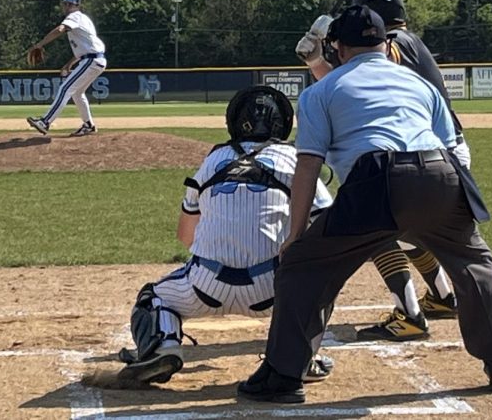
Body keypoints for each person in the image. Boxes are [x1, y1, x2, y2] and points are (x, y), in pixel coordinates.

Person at [238, 5, 492, 404]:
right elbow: (453, 145)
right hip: (442, 174)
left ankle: (284, 375)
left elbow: (308, 166)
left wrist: (295, 235)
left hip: (378, 181)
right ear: (385, 44)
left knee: (303, 267)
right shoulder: (419, 83)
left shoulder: (321, 91)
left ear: (336, 47)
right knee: (475, 264)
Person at [117, 86, 335, 387]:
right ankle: (299, 357)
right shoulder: (295, 159)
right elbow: (327, 221)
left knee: (153, 298)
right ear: (283, 123)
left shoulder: (213, 159)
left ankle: (163, 345)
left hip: (204, 285)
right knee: (319, 286)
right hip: (271, 290)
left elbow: (185, 235)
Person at [296, 0, 464, 341]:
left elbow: (359, 77)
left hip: (425, 149)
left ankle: (408, 314)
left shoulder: (395, 44)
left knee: (380, 226)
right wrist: (319, 59)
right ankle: (444, 296)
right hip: (435, 149)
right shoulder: (407, 41)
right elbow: (350, 81)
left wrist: (323, 48)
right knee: (407, 229)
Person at [26, 0, 106, 137]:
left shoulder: (75, 16)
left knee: (65, 88)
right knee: (76, 93)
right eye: (66, 4)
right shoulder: (84, 20)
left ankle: (45, 122)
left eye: (71, 4)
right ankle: (88, 125)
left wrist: (39, 44)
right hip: (94, 59)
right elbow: (85, 49)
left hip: (91, 60)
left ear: (77, 6)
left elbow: (60, 30)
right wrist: (69, 64)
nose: (67, 7)